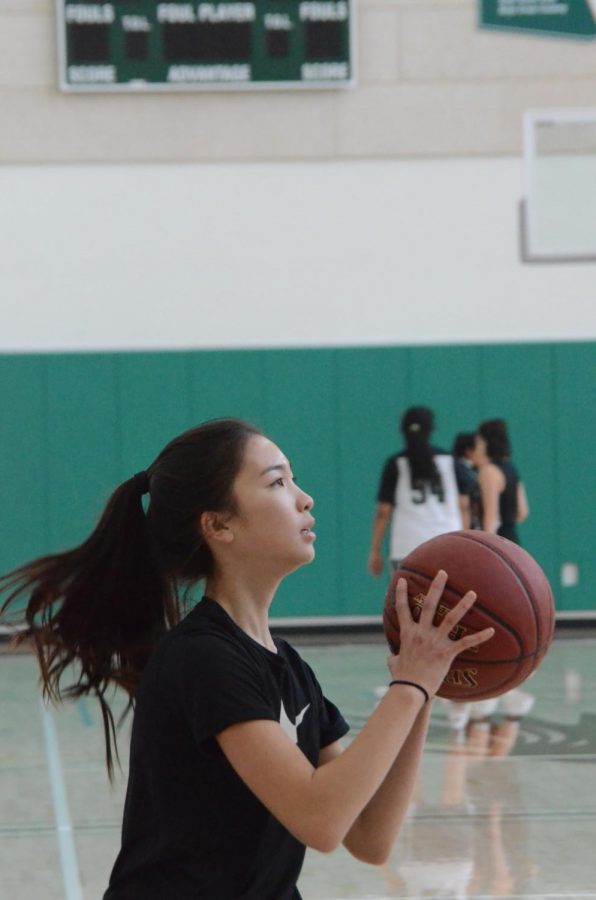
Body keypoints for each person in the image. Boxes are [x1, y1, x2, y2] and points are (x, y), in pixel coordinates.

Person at [0, 417, 495, 900]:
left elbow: (369, 837)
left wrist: (425, 688)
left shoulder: (290, 668)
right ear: (218, 525)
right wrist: (409, 687)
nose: (305, 498)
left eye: (294, 479)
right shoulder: (202, 658)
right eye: (278, 482)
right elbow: (319, 819)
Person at [368, 406, 469, 576]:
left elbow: (383, 511)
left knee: (408, 600)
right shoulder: (451, 461)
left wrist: (375, 549)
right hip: (448, 541)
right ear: (431, 430)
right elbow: (464, 504)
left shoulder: (396, 463)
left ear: (402, 431)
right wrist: (467, 543)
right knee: (448, 599)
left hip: (407, 545)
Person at [470, 419, 529, 544]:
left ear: (484, 443)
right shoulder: (511, 468)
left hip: (496, 542)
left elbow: (491, 516)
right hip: (512, 540)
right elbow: (522, 511)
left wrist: (486, 546)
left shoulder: (488, 471)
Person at [451, 431, 480, 530]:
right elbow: (463, 505)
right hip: (463, 526)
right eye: (480, 449)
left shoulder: (472, 470)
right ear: (468, 451)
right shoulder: (462, 471)